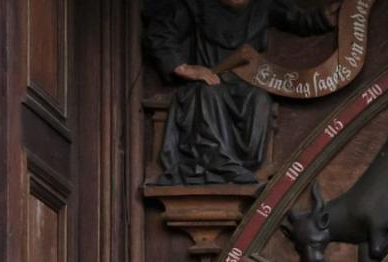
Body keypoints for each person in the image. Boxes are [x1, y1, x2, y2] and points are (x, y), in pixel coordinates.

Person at [142, 0, 339, 184]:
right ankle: (216, 165)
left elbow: (298, 19)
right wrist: (185, 69)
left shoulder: (262, 5)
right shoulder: (195, 5)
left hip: (245, 84)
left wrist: (323, 17)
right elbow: (160, 34)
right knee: (208, 95)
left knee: (259, 99)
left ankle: (244, 167)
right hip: (210, 81)